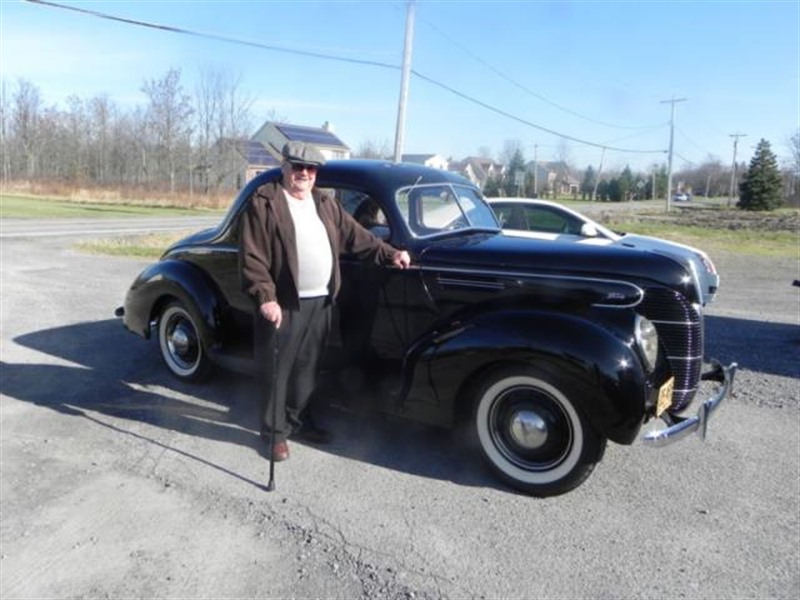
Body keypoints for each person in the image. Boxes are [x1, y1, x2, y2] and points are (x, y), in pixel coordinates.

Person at [239, 141, 411, 462]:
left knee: (308, 369)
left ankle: (298, 422)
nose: (304, 173)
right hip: (284, 304)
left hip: (321, 302)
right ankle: (274, 435)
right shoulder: (264, 202)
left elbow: (357, 236)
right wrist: (265, 297)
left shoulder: (324, 202)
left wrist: (391, 254)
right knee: (277, 371)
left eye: (311, 169)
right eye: (298, 167)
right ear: (285, 167)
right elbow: (253, 257)